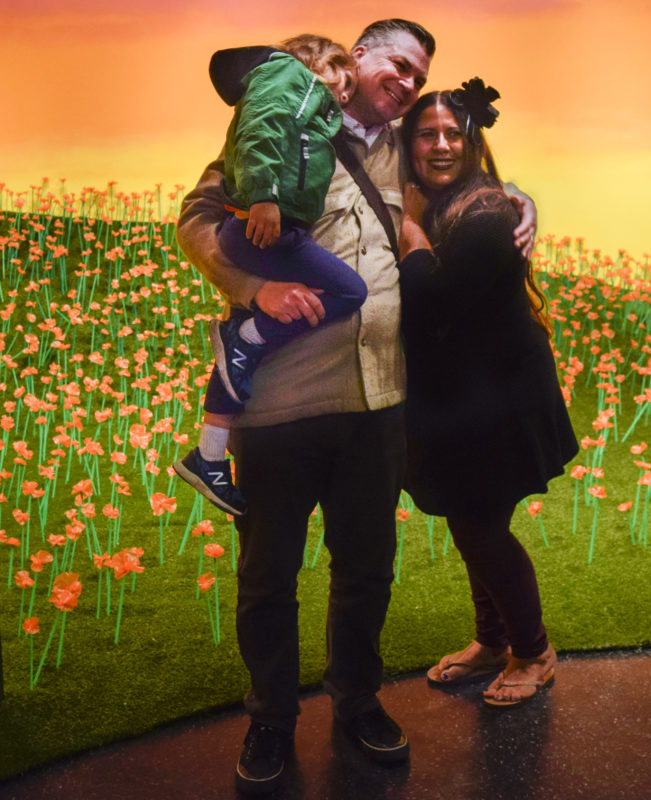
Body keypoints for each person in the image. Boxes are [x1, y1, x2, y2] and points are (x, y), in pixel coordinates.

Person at [177, 19, 537, 794]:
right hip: (280, 407)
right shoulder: (281, 121)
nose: (406, 84)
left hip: (380, 403)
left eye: (417, 75)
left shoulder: (405, 145)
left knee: (367, 570)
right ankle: (270, 719)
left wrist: (518, 196)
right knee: (269, 575)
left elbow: (464, 167)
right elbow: (199, 216)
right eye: (397, 65)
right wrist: (255, 288)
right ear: (360, 54)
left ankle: (358, 704)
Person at [396, 82, 578, 706]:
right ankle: (492, 640)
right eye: (428, 133)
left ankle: (533, 651)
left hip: (498, 402)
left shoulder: (486, 215)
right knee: (468, 518)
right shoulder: (443, 199)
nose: (442, 144)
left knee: (480, 526)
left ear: (473, 142)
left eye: (454, 133)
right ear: (409, 142)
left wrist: (413, 236)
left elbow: (434, 306)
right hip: (459, 398)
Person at [174, 35, 368, 518]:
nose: (343, 97)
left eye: (348, 93)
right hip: (265, 228)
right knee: (350, 290)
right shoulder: (290, 77)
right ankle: (250, 333)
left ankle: (210, 455)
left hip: (266, 230)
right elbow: (263, 128)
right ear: (319, 63)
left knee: (239, 360)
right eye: (343, 82)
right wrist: (263, 197)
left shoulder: (312, 111)